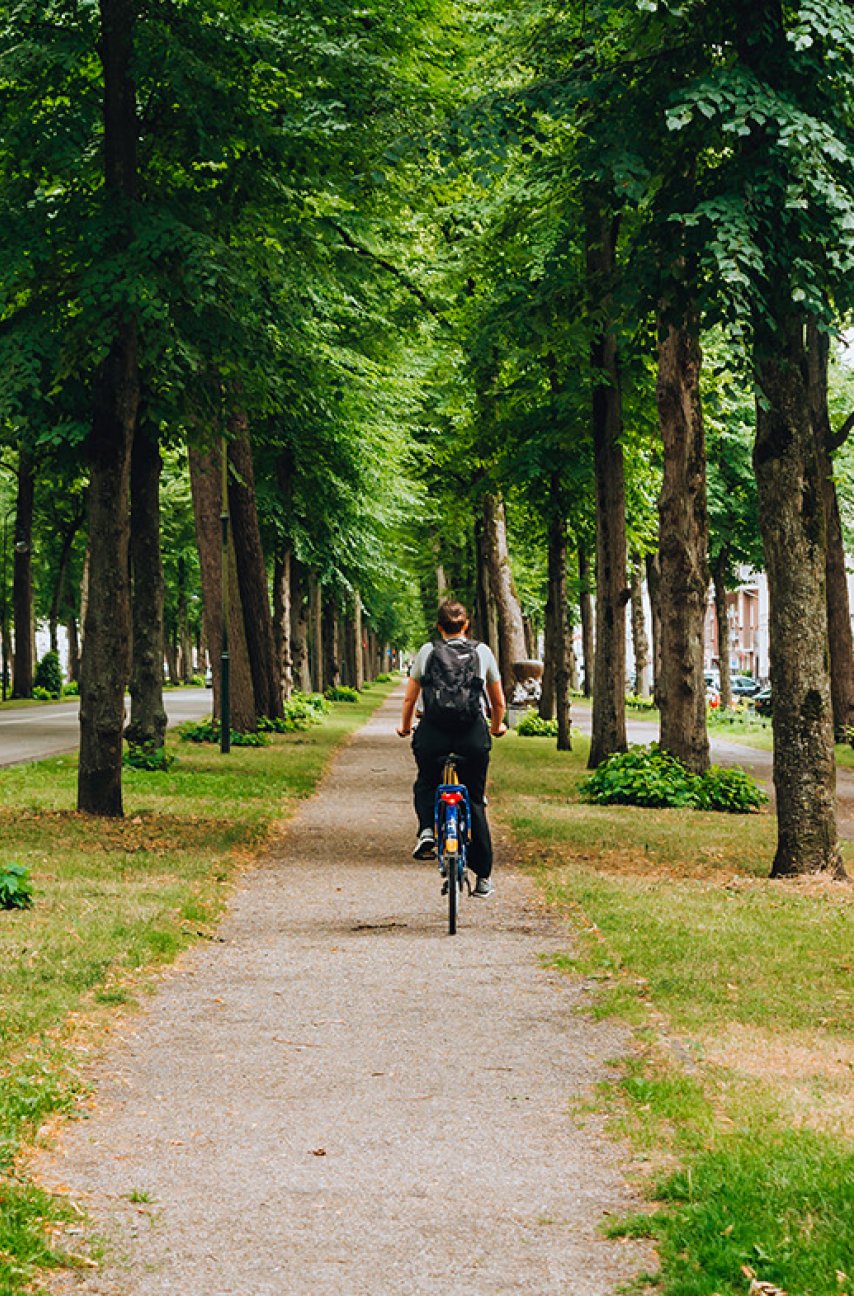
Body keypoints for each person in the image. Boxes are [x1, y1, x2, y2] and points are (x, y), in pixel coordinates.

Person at [397, 599, 507, 898]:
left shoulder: (428, 651)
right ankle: (483, 877)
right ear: (466, 625)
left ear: (439, 626)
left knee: (427, 783)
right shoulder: (482, 652)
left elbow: (410, 699)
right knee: (474, 799)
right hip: (471, 736)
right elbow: (497, 702)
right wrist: (497, 726)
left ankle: (428, 831)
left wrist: (406, 727)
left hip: (433, 734)